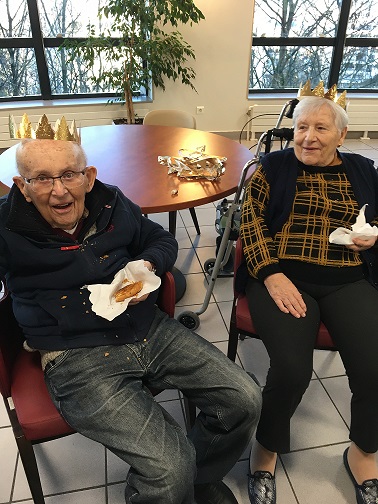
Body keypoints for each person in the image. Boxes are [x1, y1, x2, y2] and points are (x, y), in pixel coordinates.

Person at [0, 120, 262, 504]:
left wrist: (149, 267)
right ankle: (171, 486)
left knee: (244, 399)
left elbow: (159, 239)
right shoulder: (5, 226)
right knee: (168, 467)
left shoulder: (111, 202)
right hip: (74, 354)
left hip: (147, 327)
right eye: (41, 179)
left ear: (88, 177)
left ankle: (200, 479)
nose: (58, 190)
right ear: (22, 186)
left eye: (68, 175)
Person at [237, 84, 378, 504]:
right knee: (292, 371)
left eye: (320, 128)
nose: (308, 137)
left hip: (347, 277)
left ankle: (364, 452)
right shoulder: (272, 166)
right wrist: (271, 273)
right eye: (301, 127)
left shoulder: (364, 171)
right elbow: (250, 221)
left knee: (374, 369)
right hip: (283, 276)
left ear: (341, 135)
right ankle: (266, 448)